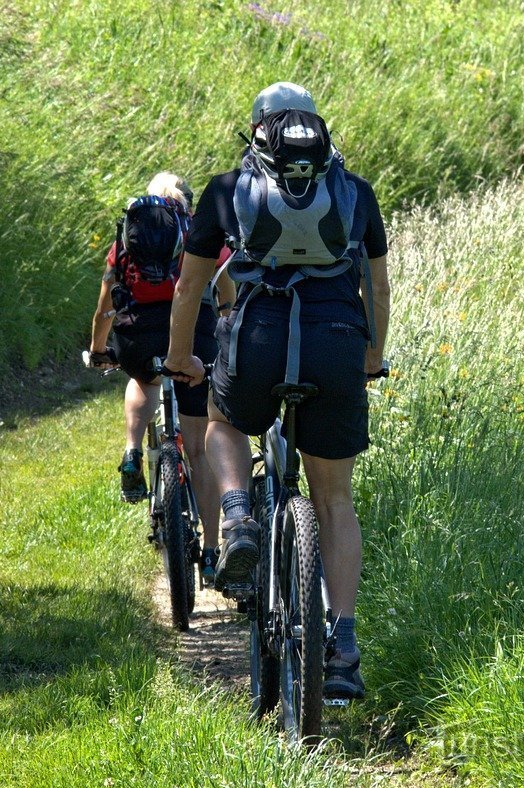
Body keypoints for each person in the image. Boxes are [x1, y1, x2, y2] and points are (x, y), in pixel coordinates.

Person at [163, 83, 391, 700]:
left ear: (258, 130)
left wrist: (183, 357)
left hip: (260, 335)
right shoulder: (354, 191)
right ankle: (342, 646)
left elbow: (190, 290)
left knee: (223, 419)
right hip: (337, 341)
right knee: (335, 501)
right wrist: (370, 357)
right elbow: (378, 284)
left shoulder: (225, 190)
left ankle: (237, 517)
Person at [86, 172, 232, 578]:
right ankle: (211, 549)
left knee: (143, 379)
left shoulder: (126, 243)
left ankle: (133, 450)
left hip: (137, 340)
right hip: (195, 341)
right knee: (199, 452)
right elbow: (227, 292)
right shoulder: (199, 234)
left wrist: (100, 351)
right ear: (186, 201)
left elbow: (104, 310)